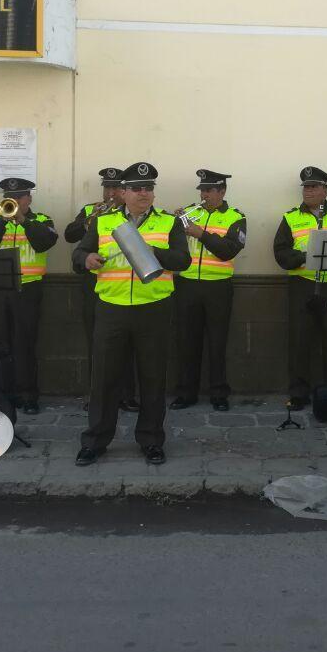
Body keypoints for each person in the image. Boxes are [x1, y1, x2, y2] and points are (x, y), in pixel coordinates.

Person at [73, 162, 191, 467]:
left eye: (149, 188)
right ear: (123, 192)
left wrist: (153, 252)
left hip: (153, 309)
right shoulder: (102, 222)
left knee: (152, 377)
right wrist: (87, 258)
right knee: (104, 378)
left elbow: (183, 260)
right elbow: (77, 254)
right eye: (137, 188)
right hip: (112, 310)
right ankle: (96, 440)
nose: (144, 193)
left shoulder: (169, 223)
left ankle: (151, 440)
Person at [0, 177, 58, 414]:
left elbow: (44, 242)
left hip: (27, 289)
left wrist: (22, 220)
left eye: (20, 197)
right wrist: (4, 220)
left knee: (25, 343)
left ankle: (28, 394)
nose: (14, 202)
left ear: (29, 199)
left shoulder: (41, 220)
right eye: (10, 198)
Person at [272, 165, 327, 409]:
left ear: (325, 191)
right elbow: (280, 252)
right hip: (302, 285)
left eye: (314, 187)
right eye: (305, 187)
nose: (308, 191)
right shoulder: (290, 217)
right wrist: (305, 257)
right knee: (299, 341)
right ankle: (298, 394)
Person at [171, 169, 247, 412]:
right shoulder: (190, 214)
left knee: (217, 342)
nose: (204, 195)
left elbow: (229, 250)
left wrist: (201, 234)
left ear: (222, 191)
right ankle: (185, 392)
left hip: (218, 287)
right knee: (186, 341)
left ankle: (218, 393)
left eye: (209, 190)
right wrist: (175, 223)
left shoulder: (236, 218)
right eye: (202, 190)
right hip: (187, 284)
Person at [63, 167, 138, 410]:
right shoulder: (90, 210)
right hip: (93, 285)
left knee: (127, 344)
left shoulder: (133, 212)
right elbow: (69, 235)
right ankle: (98, 395)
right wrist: (88, 222)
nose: (111, 192)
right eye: (107, 187)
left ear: (124, 190)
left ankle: (126, 394)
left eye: (116, 188)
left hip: (124, 286)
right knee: (96, 343)